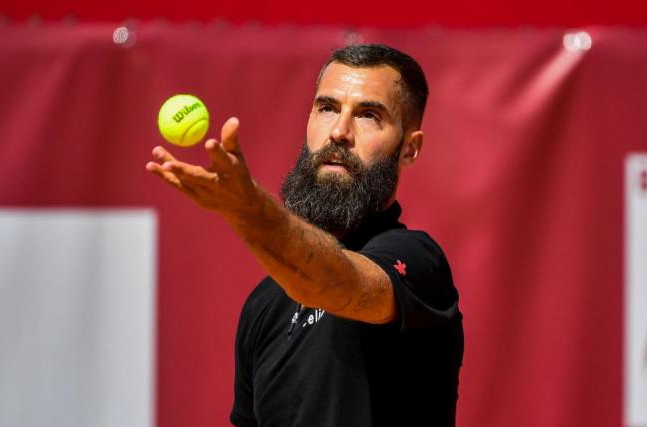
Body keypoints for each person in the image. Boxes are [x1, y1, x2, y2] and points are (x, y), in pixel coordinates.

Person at [146, 44, 464, 426]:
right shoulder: (264, 304)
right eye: (327, 108)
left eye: (368, 115)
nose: (339, 132)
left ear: (409, 149)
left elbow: (334, 284)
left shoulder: (418, 259)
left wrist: (249, 209)